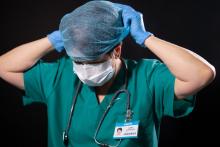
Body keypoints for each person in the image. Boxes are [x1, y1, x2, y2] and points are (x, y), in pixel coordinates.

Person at [0, 1, 216, 147]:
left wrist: (145, 38)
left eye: (92, 61)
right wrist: (55, 39)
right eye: (78, 60)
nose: (83, 70)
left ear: (117, 50)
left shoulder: (147, 77)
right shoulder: (60, 75)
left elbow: (202, 73)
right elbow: (3, 66)